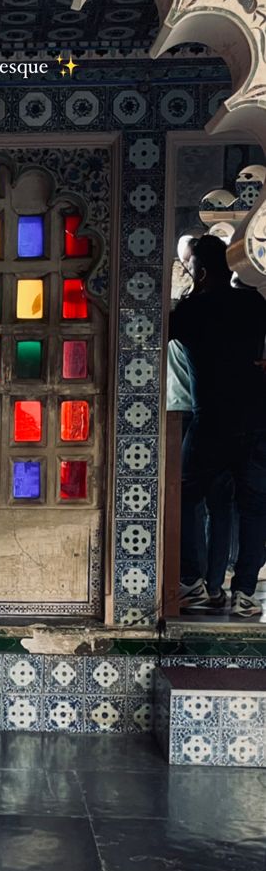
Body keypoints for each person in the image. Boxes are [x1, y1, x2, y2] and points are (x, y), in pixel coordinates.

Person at [170, 234, 266, 619]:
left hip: (210, 422)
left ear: (201, 271)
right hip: (256, 420)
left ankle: (192, 583)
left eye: (190, 267)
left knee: (186, 495)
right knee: (254, 507)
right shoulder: (253, 302)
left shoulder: (192, 310)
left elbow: (149, 329)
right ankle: (244, 594)